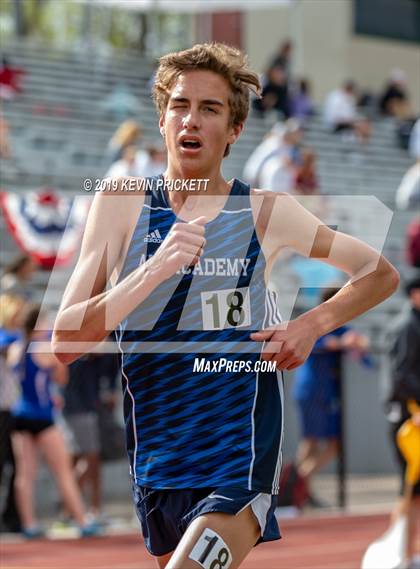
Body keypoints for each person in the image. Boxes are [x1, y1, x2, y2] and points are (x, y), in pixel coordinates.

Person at [52, 43, 399, 569]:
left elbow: (379, 273)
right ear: (162, 119)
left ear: (233, 131)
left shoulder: (264, 212)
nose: (191, 119)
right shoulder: (121, 202)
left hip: (237, 458)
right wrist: (154, 268)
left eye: (210, 109)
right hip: (159, 462)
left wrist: (312, 324)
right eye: (179, 105)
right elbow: (66, 341)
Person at [9, 305, 99, 538]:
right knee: (63, 472)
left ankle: (29, 525)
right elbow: (62, 376)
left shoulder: (16, 348)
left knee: (24, 475)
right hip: (42, 416)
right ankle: (81, 521)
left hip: (20, 415)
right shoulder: (44, 349)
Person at [292, 287, 372, 506]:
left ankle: (298, 487)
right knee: (311, 442)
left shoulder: (341, 327)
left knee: (328, 442)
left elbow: (366, 360)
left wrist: (361, 346)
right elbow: (314, 343)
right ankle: (294, 488)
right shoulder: (315, 323)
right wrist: (342, 343)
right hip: (313, 390)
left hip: (326, 394)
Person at [385, 276, 420, 569]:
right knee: (409, 488)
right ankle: (400, 555)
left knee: (413, 490)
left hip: (413, 414)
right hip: (411, 419)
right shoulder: (408, 327)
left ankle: (406, 554)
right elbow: (401, 375)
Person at [64, 352, 119, 519]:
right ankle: (71, 508)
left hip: (85, 408)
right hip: (79, 409)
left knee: (86, 458)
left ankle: (77, 509)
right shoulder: (75, 350)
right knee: (90, 459)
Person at [0, 293, 25, 533]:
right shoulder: (7, 336)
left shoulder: (16, 336)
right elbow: (12, 359)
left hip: (10, 409)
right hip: (2, 409)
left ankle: (11, 518)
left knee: (14, 465)